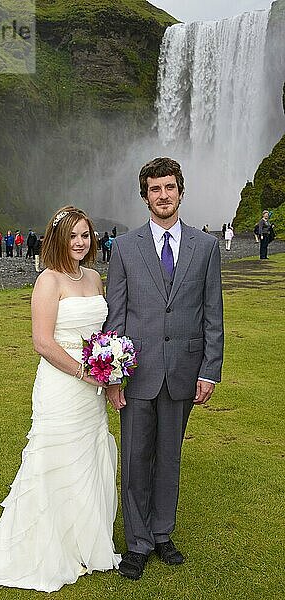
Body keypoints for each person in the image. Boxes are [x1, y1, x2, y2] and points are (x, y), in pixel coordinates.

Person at [0, 206, 120, 592]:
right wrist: (83, 372)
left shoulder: (93, 277)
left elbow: (100, 332)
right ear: (57, 239)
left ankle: (83, 543)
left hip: (92, 386)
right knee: (55, 456)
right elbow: (42, 341)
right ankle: (44, 544)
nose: (79, 242)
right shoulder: (48, 280)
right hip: (63, 383)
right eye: (72, 236)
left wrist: (108, 367)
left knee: (87, 455)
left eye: (85, 235)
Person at [104, 157, 224, 580]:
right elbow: (115, 315)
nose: (163, 195)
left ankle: (161, 534)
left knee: (169, 457)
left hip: (184, 372)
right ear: (145, 196)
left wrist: (209, 370)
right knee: (136, 458)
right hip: (136, 373)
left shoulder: (206, 247)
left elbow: (213, 313)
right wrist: (113, 376)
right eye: (155, 189)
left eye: (169, 187)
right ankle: (136, 543)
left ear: (180, 191)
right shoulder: (123, 248)